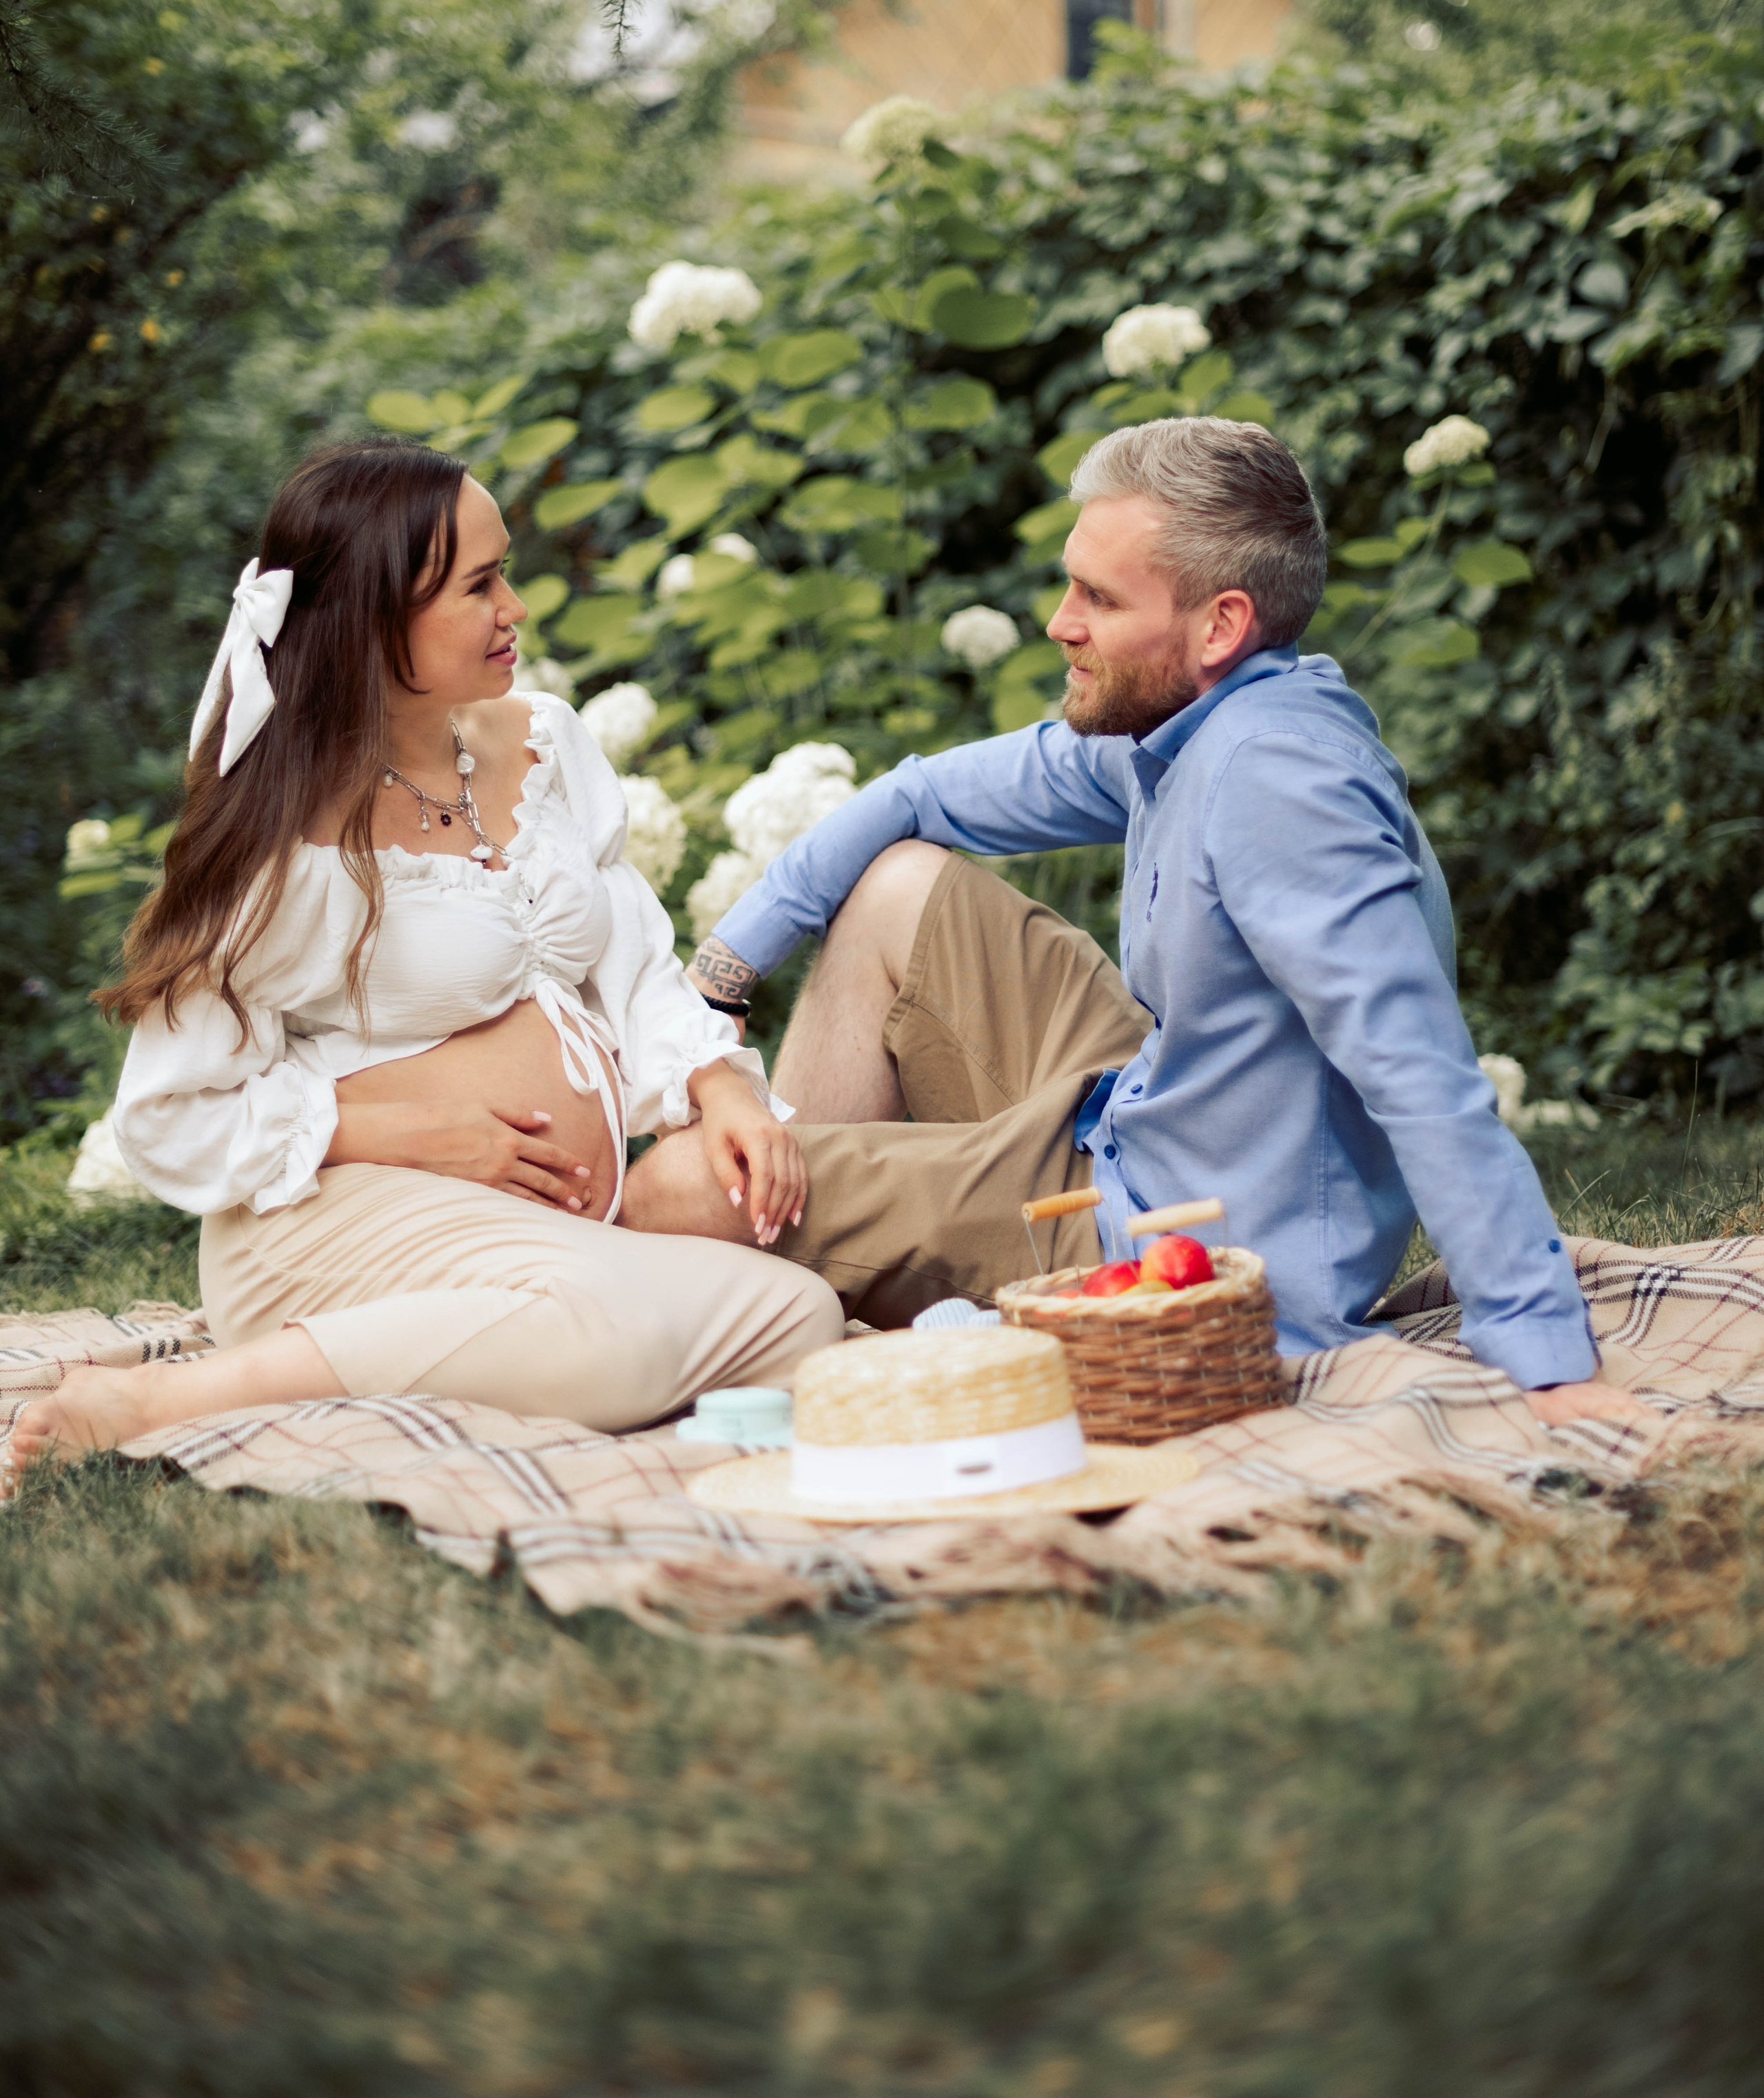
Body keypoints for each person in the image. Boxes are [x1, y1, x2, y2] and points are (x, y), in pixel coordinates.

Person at [628, 415, 1648, 1432]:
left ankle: (819, 1268)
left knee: (676, 1190)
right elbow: (919, 794)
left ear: (1219, 625)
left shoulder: (1280, 790)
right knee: (899, 883)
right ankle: (825, 1232)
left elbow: (1421, 1073)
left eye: (1099, 599)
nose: (1058, 622)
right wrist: (720, 978)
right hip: (1139, 1112)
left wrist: (1542, 1351)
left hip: (1181, 1241)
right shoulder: (1188, 723)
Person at [3, 442, 837, 1492]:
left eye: (507, 574)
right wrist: (390, 1130)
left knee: (798, 1314)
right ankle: (166, 1401)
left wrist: (716, 1083)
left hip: (512, 1228)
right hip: (326, 1228)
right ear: (373, 617)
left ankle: (541, 1336)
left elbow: (634, 958)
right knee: (611, 1324)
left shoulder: (547, 746)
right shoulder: (290, 845)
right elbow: (169, 1116)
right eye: (480, 586)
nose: (516, 608)